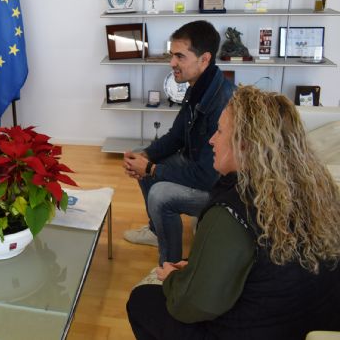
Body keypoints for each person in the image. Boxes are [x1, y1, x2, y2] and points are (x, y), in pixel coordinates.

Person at [127, 86, 340, 339]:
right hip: (317, 322)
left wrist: (173, 278)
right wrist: (197, 267)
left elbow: (193, 306)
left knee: (142, 301)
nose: (211, 140)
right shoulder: (318, 187)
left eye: (219, 131)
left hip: (257, 330)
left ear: (245, 145)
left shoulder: (231, 211)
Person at [123, 20, 234, 265]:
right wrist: (146, 157)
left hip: (218, 187)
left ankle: (169, 269)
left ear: (204, 59)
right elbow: (176, 136)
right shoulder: (198, 85)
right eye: (172, 55)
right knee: (145, 156)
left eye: (180, 57)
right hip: (195, 163)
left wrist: (151, 169)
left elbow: (207, 177)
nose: (172, 63)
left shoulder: (222, 103)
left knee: (160, 194)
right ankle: (157, 230)